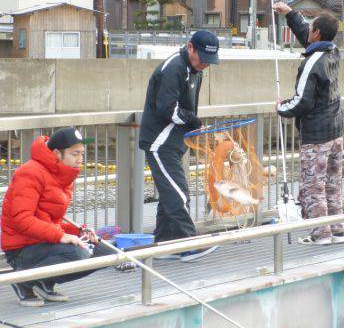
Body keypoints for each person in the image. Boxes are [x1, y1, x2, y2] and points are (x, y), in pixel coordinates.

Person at [1, 127, 113, 307]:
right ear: (56, 153)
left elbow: (50, 220)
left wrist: (77, 232)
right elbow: (21, 219)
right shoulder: (30, 173)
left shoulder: (63, 173)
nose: (80, 159)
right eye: (75, 153)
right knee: (79, 253)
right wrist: (62, 236)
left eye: (82, 153)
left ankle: (44, 282)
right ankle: (23, 280)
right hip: (22, 249)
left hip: (43, 242)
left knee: (105, 251)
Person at [139, 30, 220, 261]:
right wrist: (192, 120)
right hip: (159, 141)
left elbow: (188, 108)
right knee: (178, 192)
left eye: (209, 61)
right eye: (201, 57)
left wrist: (192, 125)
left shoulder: (196, 71)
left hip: (175, 141)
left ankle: (164, 245)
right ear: (190, 47)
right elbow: (167, 108)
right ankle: (188, 242)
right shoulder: (175, 67)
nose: (204, 64)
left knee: (169, 193)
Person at [273, 3, 344, 245]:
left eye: (311, 27)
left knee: (313, 187)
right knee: (332, 185)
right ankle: (336, 230)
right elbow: (308, 37)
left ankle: (320, 234)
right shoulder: (333, 51)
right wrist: (290, 14)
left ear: (317, 34)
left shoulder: (312, 62)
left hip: (317, 135)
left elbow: (302, 102)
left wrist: (281, 107)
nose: (309, 31)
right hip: (336, 131)